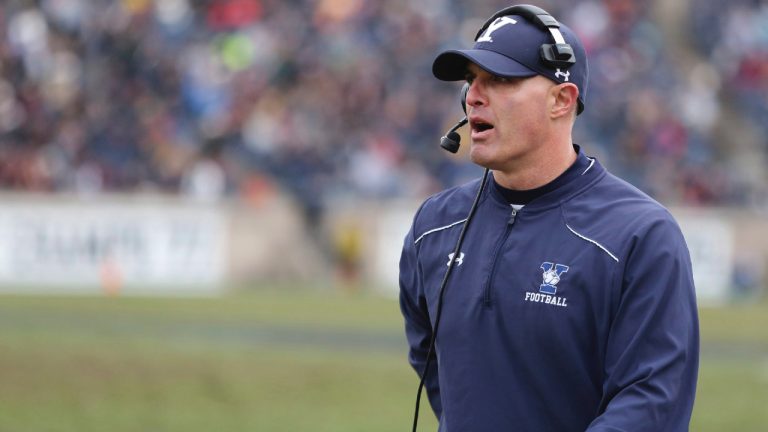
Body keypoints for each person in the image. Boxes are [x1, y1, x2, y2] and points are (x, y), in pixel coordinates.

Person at [398, 5, 699, 432]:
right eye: (471, 81)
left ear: (562, 99)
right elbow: (433, 363)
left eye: (499, 79)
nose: (473, 96)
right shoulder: (434, 225)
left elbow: (651, 402)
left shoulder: (640, 235)